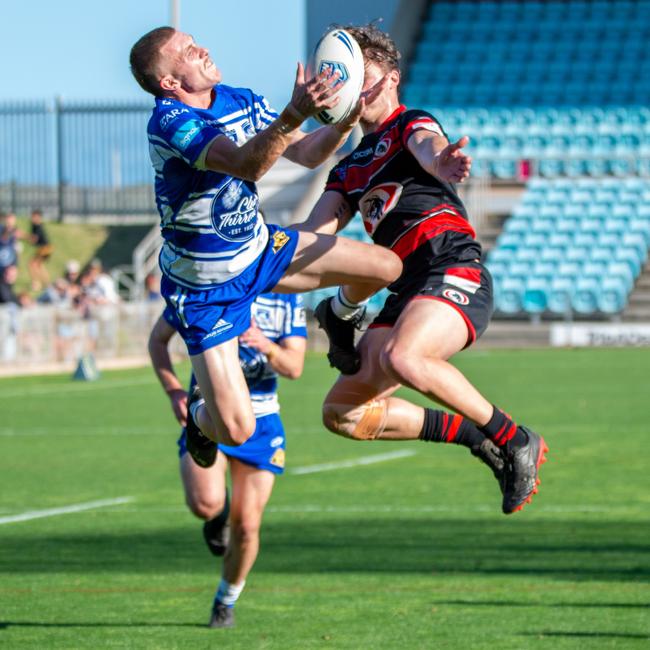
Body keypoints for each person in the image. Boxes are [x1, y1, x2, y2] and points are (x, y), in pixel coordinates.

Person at [298, 24, 548, 515]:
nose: (356, 90)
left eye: (363, 78)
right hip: (405, 288)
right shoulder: (346, 169)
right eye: (347, 80)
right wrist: (260, 246)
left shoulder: (407, 123)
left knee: (406, 360)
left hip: (452, 265)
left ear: (391, 78)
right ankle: (476, 437)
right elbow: (313, 233)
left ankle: (515, 438)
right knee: (342, 414)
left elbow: (428, 146)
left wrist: (443, 161)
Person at [129, 27, 402, 463]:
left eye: (195, 39)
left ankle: (337, 316)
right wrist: (293, 113)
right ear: (170, 83)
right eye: (184, 50)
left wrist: (347, 114)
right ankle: (201, 417)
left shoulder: (238, 99)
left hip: (259, 252)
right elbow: (246, 165)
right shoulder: (170, 122)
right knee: (237, 430)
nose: (199, 46)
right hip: (204, 291)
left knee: (386, 267)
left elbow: (308, 153)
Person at [148, 292, 307, 628]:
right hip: (209, 415)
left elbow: (295, 367)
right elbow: (158, 341)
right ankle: (216, 516)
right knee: (206, 504)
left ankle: (226, 600)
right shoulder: (208, 285)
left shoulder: (287, 299)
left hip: (262, 423)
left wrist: (266, 345)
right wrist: (174, 390)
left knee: (247, 526)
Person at [28, 209, 53, 291]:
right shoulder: (35, 225)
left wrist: (23, 236)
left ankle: (37, 284)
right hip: (44, 248)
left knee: (33, 264)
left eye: (34, 217)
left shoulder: (38, 226)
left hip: (45, 248)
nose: (33, 218)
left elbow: (34, 239)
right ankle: (47, 284)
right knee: (39, 265)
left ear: (39, 217)